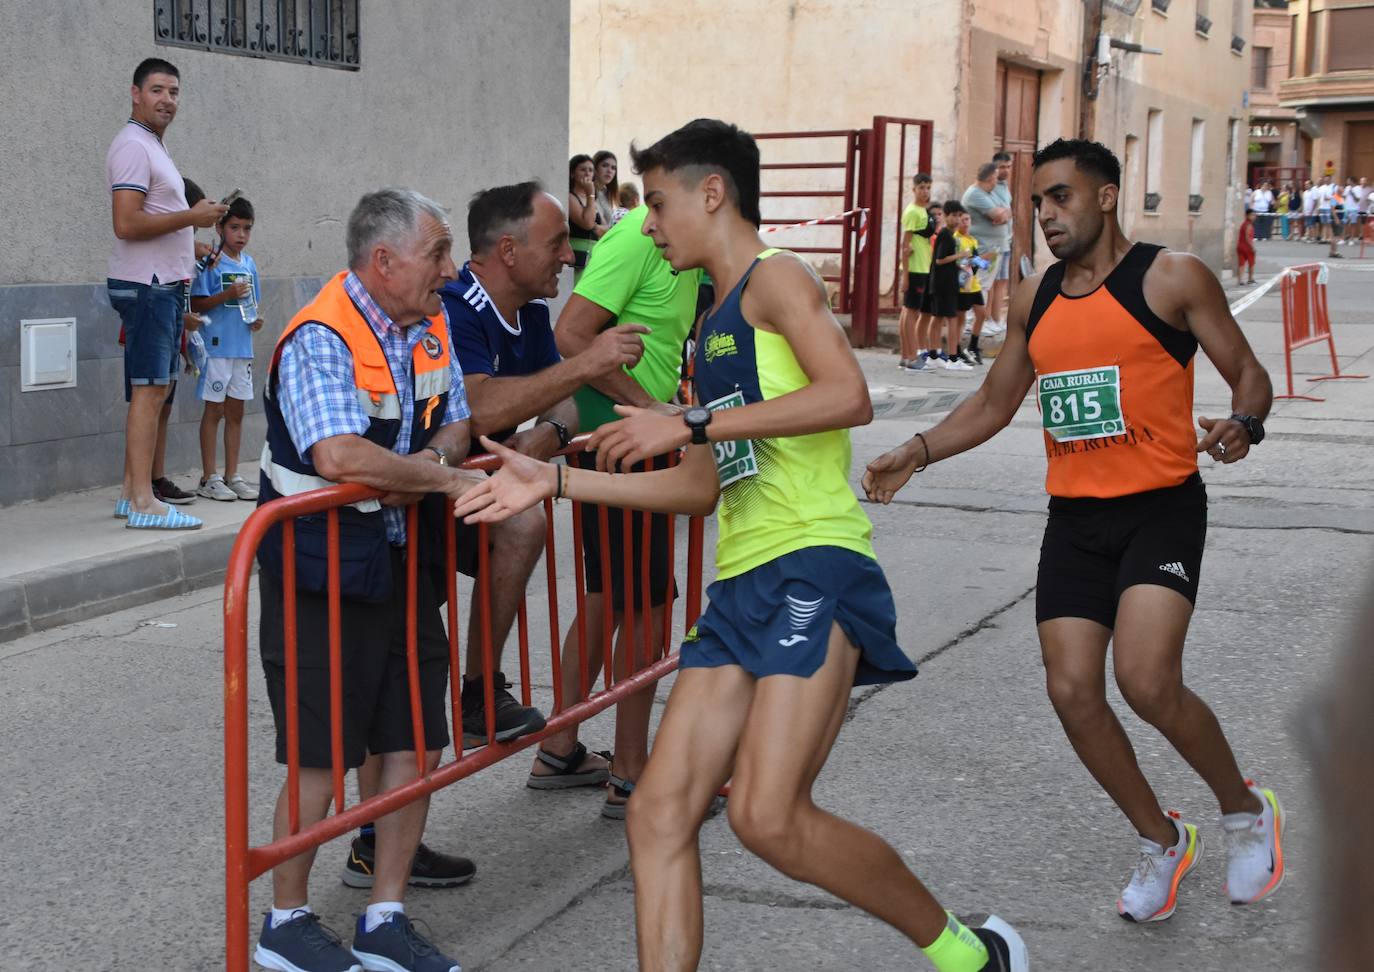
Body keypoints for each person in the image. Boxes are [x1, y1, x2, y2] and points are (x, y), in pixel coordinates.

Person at [457, 116, 1028, 972]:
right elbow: (699, 486)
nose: (647, 224)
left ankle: (971, 955)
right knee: (657, 815)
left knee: (768, 815)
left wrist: (690, 420)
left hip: (814, 564)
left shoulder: (776, 278)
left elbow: (847, 395)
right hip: (739, 587)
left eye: (658, 204)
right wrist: (558, 481)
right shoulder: (712, 321)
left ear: (713, 193)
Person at [865, 137, 1283, 925]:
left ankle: (1245, 810)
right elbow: (994, 402)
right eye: (1037, 203)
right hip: (1076, 518)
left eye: (1061, 197)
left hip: (1160, 508)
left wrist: (1244, 422)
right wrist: (916, 451)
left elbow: (1248, 372)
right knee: (1071, 691)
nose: (1046, 214)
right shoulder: (1036, 296)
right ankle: (1162, 838)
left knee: (1146, 680)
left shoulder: (1170, 278)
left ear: (1106, 196)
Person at [252, 188, 472, 972]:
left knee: (413, 741)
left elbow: (460, 418)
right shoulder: (321, 334)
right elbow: (338, 455)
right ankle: (284, 925)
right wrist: (437, 478)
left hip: (400, 563)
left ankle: (384, 918)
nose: (450, 270)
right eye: (437, 253)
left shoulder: (430, 323)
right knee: (320, 758)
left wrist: (429, 464)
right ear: (385, 261)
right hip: (319, 571)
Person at [436, 181, 649, 750]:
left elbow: (563, 400)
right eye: (556, 243)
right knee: (403, 687)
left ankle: (480, 694)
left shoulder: (528, 310)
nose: (567, 256)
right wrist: (586, 364)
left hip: (457, 480)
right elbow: (481, 408)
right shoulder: (457, 305)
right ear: (508, 250)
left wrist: (548, 433)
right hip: (414, 482)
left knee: (524, 523)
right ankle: (470, 700)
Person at [532, 184, 705, 818]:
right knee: (648, 607)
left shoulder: (683, 249)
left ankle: (559, 748)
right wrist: (650, 405)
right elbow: (571, 334)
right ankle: (631, 771)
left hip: (628, 440)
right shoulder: (638, 237)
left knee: (609, 599)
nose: (653, 219)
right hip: (625, 444)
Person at [107, 57, 227, 529]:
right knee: (150, 391)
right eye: (157, 90)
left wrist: (187, 241)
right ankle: (143, 502)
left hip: (157, 284)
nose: (167, 100)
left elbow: (150, 218)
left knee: (149, 391)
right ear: (135, 93)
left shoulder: (149, 145)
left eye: (174, 92)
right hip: (150, 286)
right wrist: (192, 218)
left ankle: (129, 494)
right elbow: (126, 222)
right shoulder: (134, 146)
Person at [190, 195, 261, 501]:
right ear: (219, 228)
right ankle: (209, 477)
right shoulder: (211, 263)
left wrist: (255, 321)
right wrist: (227, 294)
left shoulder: (250, 264)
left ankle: (233, 475)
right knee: (214, 409)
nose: (241, 235)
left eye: (247, 228)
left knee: (236, 411)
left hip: (242, 347)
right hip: (216, 347)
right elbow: (197, 303)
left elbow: (252, 303)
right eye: (235, 227)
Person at [922, 200, 972, 371]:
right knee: (951, 320)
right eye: (954, 216)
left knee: (937, 319)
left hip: (944, 283)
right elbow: (940, 260)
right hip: (943, 285)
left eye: (959, 216)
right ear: (945, 216)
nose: (957, 219)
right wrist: (960, 255)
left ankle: (933, 356)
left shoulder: (949, 235)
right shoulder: (946, 235)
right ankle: (952, 358)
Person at [897, 172, 935, 370]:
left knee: (908, 310)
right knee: (911, 313)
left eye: (928, 187)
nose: (925, 191)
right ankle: (912, 357)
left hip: (922, 266)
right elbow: (906, 244)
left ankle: (906, 356)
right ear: (914, 189)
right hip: (915, 268)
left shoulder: (921, 210)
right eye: (921, 188)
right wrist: (905, 275)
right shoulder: (913, 212)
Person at [910, 202, 945, 369]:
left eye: (940, 214)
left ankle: (933, 349)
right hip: (926, 274)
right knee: (924, 315)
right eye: (934, 215)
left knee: (933, 315)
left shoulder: (941, 234)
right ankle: (921, 349)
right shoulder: (926, 236)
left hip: (937, 278)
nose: (937, 217)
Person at [953, 207, 987, 364]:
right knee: (960, 317)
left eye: (967, 219)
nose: (965, 223)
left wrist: (982, 262)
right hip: (962, 284)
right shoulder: (956, 239)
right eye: (962, 220)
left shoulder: (972, 239)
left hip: (974, 283)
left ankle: (973, 346)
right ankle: (956, 348)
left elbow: (975, 258)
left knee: (981, 313)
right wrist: (967, 261)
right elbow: (957, 260)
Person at [990, 151, 1016, 324]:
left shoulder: (1005, 186)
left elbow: (1008, 212)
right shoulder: (990, 187)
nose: (1005, 170)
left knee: (1002, 281)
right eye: (1002, 167)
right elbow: (998, 215)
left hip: (1006, 240)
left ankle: (997, 319)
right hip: (993, 243)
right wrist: (1006, 215)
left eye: (1008, 166)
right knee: (991, 282)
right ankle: (987, 319)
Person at [568, 154, 602, 276]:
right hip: (577, 254)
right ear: (572, 174)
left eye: (591, 170)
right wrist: (590, 194)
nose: (587, 173)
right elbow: (588, 223)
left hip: (593, 254)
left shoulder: (593, 199)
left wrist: (596, 227)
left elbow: (605, 227)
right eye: (583, 169)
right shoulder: (570, 197)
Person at [593, 149, 620, 228]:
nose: (609, 171)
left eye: (613, 168)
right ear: (595, 167)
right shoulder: (587, 192)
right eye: (605, 165)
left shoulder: (606, 192)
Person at [1236, 209, 1257, 285]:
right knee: (1251, 263)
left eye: (1254, 215)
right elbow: (1247, 237)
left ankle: (1240, 280)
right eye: (1252, 215)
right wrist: (1252, 247)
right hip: (1247, 247)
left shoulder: (1243, 224)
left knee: (1241, 264)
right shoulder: (1249, 225)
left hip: (1240, 246)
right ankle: (1250, 278)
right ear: (1247, 215)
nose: (1254, 217)